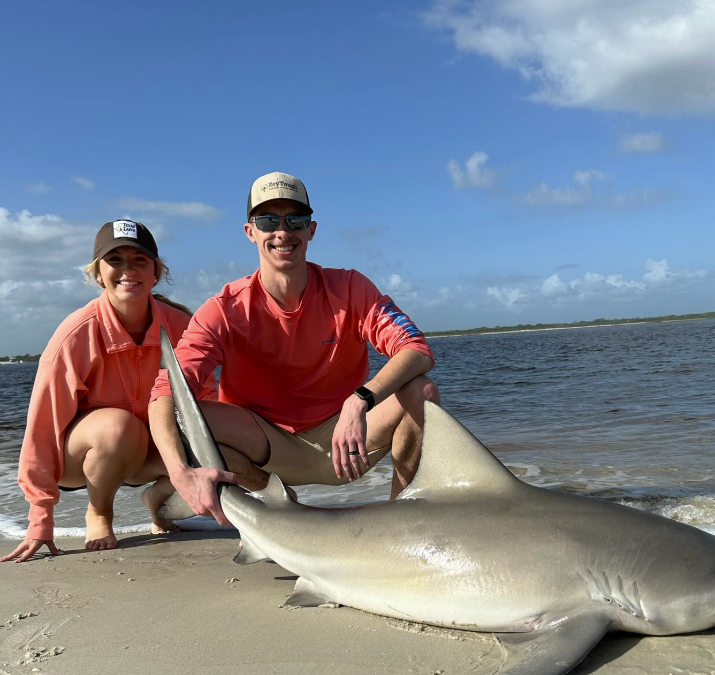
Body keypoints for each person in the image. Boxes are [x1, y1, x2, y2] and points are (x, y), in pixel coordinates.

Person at [148, 172, 439, 524]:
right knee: (186, 416)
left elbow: (416, 349)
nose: (282, 231)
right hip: (267, 453)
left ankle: (402, 520)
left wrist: (360, 400)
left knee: (420, 391)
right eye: (268, 220)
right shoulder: (225, 308)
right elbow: (166, 392)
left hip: (347, 443)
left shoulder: (349, 288)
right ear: (250, 231)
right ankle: (274, 506)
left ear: (311, 230)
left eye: (295, 219)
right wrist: (181, 472)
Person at [1, 220, 216, 563]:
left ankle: (160, 501)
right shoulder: (76, 333)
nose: (127, 269)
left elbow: (209, 402)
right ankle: (99, 513)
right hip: (83, 458)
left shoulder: (179, 326)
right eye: (115, 260)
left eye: (140, 260)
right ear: (98, 275)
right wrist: (40, 517)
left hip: (148, 452)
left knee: (218, 431)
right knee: (119, 427)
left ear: (156, 272)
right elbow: (41, 429)